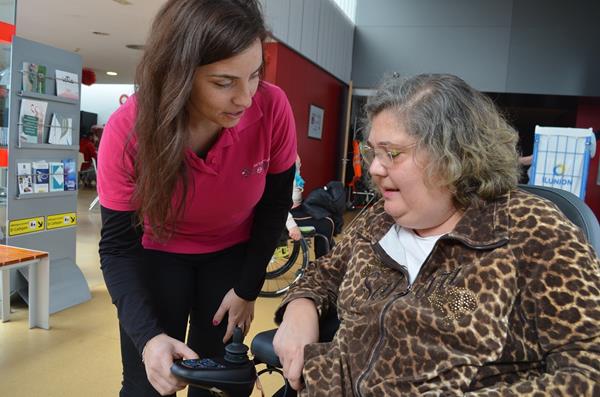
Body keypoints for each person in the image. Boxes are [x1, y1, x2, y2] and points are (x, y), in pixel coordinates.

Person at [273, 74, 600, 396]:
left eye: (393, 153)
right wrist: (298, 311)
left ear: (454, 157)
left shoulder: (536, 234)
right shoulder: (379, 219)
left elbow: (587, 371)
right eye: (374, 151)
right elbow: (323, 274)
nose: (373, 168)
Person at [97, 1, 296, 396]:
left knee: (224, 380)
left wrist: (247, 289)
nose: (245, 97)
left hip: (231, 258)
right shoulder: (130, 130)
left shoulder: (272, 108)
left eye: (254, 75)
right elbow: (118, 247)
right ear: (178, 75)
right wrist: (149, 339)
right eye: (224, 82)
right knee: (148, 384)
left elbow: (274, 207)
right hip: (156, 256)